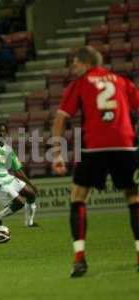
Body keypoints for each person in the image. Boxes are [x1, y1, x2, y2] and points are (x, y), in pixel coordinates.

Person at [51, 46, 139, 277]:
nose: (73, 68)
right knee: (134, 197)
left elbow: (61, 118)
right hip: (125, 145)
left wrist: (57, 153)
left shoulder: (80, 83)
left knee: (78, 197)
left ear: (85, 63)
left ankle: (79, 258)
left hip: (95, 147)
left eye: (75, 63)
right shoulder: (122, 81)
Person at [0, 123, 38, 229]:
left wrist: (31, 184)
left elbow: (18, 171)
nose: (0, 133)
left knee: (31, 193)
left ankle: (29, 223)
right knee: (20, 203)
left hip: (7, 177)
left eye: (2, 131)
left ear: (6, 133)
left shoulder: (9, 150)